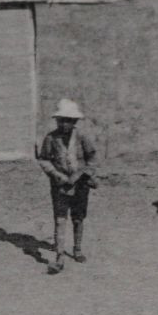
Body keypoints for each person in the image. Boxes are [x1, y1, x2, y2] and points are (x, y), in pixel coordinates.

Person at [36, 99, 98, 275]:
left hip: (80, 185)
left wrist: (82, 174)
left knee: (78, 217)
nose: (65, 124)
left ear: (75, 122)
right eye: (61, 120)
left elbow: (92, 158)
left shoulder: (83, 137)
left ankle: (77, 249)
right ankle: (59, 255)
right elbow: (44, 159)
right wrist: (59, 176)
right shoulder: (51, 138)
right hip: (60, 186)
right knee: (60, 218)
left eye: (69, 120)